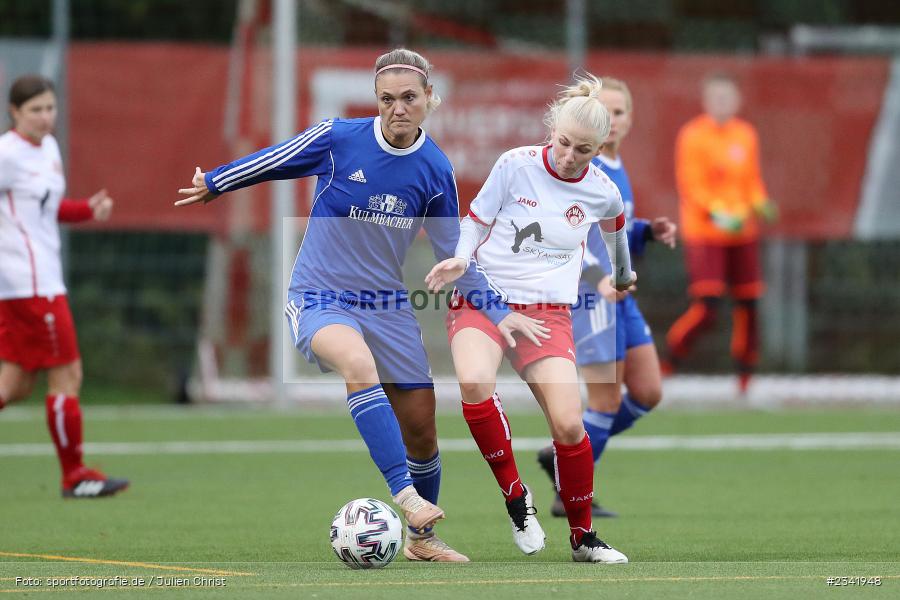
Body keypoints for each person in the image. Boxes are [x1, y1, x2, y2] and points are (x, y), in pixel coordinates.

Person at [176, 48, 513, 563]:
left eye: (408, 98)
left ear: (428, 100)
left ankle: (422, 541)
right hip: (319, 295)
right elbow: (276, 160)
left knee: (422, 424)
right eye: (386, 99)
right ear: (375, 101)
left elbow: (454, 256)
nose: (397, 108)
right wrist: (216, 182)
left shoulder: (435, 169)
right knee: (357, 364)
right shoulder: (338, 138)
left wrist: (498, 309)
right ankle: (406, 500)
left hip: (387, 304)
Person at [426, 73, 634, 563]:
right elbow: (475, 219)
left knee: (568, 425)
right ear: (551, 131)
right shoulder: (515, 164)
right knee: (475, 382)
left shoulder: (604, 192)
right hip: (486, 298)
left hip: (548, 315)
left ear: (600, 147)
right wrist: (461, 256)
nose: (567, 156)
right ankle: (517, 500)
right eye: (562, 142)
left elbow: (616, 236)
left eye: (583, 150)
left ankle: (583, 538)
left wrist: (623, 276)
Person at [533, 77, 677, 518]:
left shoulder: (615, 166)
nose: (610, 121)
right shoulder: (583, 168)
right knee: (604, 401)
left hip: (621, 295)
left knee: (649, 392)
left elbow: (612, 227)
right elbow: (567, 236)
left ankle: (564, 460)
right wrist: (597, 277)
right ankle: (571, 491)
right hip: (591, 296)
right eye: (603, 112)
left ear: (629, 120)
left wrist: (646, 230)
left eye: (618, 113)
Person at [0, 74, 126, 498]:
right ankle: (74, 476)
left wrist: (88, 210)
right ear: (14, 112)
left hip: (37, 283)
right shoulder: (7, 154)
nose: (45, 116)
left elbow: (47, 209)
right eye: (35, 109)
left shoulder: (48, 148)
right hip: (29, 285)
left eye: (50, 107)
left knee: (13, 386)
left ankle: (74, 475)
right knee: (67, 375)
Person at [663, 72, 776, 393]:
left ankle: (745, 377)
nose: (723, 103)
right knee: (707, 305)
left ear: (737, 100)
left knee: (749, 303)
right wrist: (717, 212)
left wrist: (759, 203)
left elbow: (751, 182)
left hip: (743, 232)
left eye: (728, 98)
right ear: (706, 101)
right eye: (717, 98)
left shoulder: (746, 134)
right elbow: (691, 185)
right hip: (706, 232)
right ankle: (669, 360)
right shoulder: (693, 136)